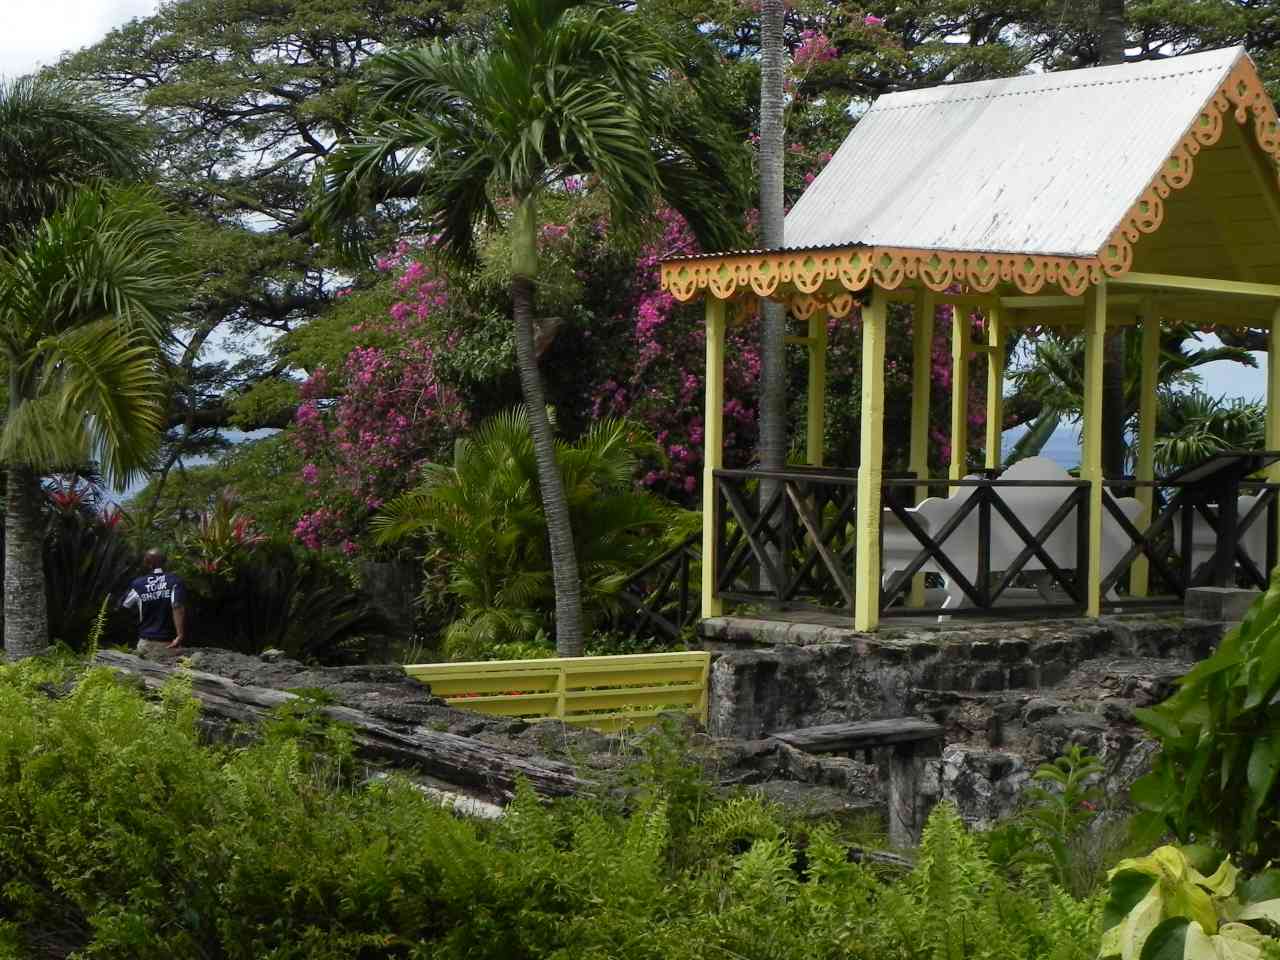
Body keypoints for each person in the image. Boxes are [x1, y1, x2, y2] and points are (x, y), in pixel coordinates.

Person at [122, 549, 188, 649]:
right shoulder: (175, 581)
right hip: (169, 643)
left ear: (146, 564)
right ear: (165, 562)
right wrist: (180, 635)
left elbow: (125, 605)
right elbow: (177, 606)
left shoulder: (138, 584)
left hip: (145, 641)